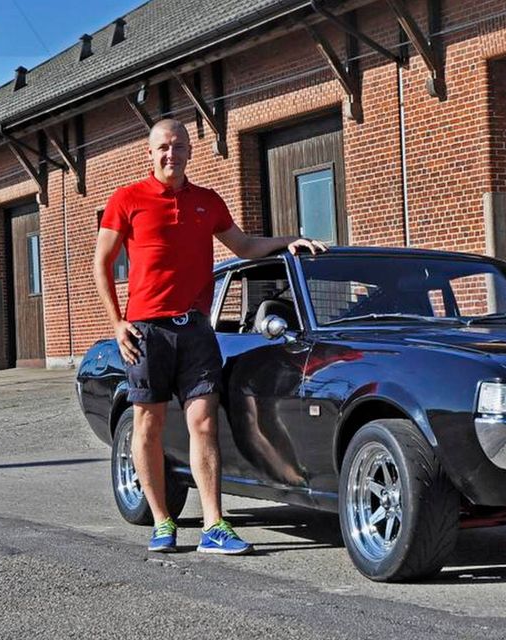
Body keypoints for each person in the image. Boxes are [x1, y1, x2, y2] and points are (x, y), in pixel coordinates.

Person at [93, 118, 326, 555]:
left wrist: (289, 241)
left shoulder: (207, 201)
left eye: (179, 146)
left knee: (203, 421)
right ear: (150, 153)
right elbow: (101, 263)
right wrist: (117, 323)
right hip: (147, 331)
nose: (171, 154)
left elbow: (244, 246)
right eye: (163, 147)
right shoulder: (127, 199)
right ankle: (162, 521)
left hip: (197, 330)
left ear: (189, 151)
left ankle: (214, 525)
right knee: (148, 424)